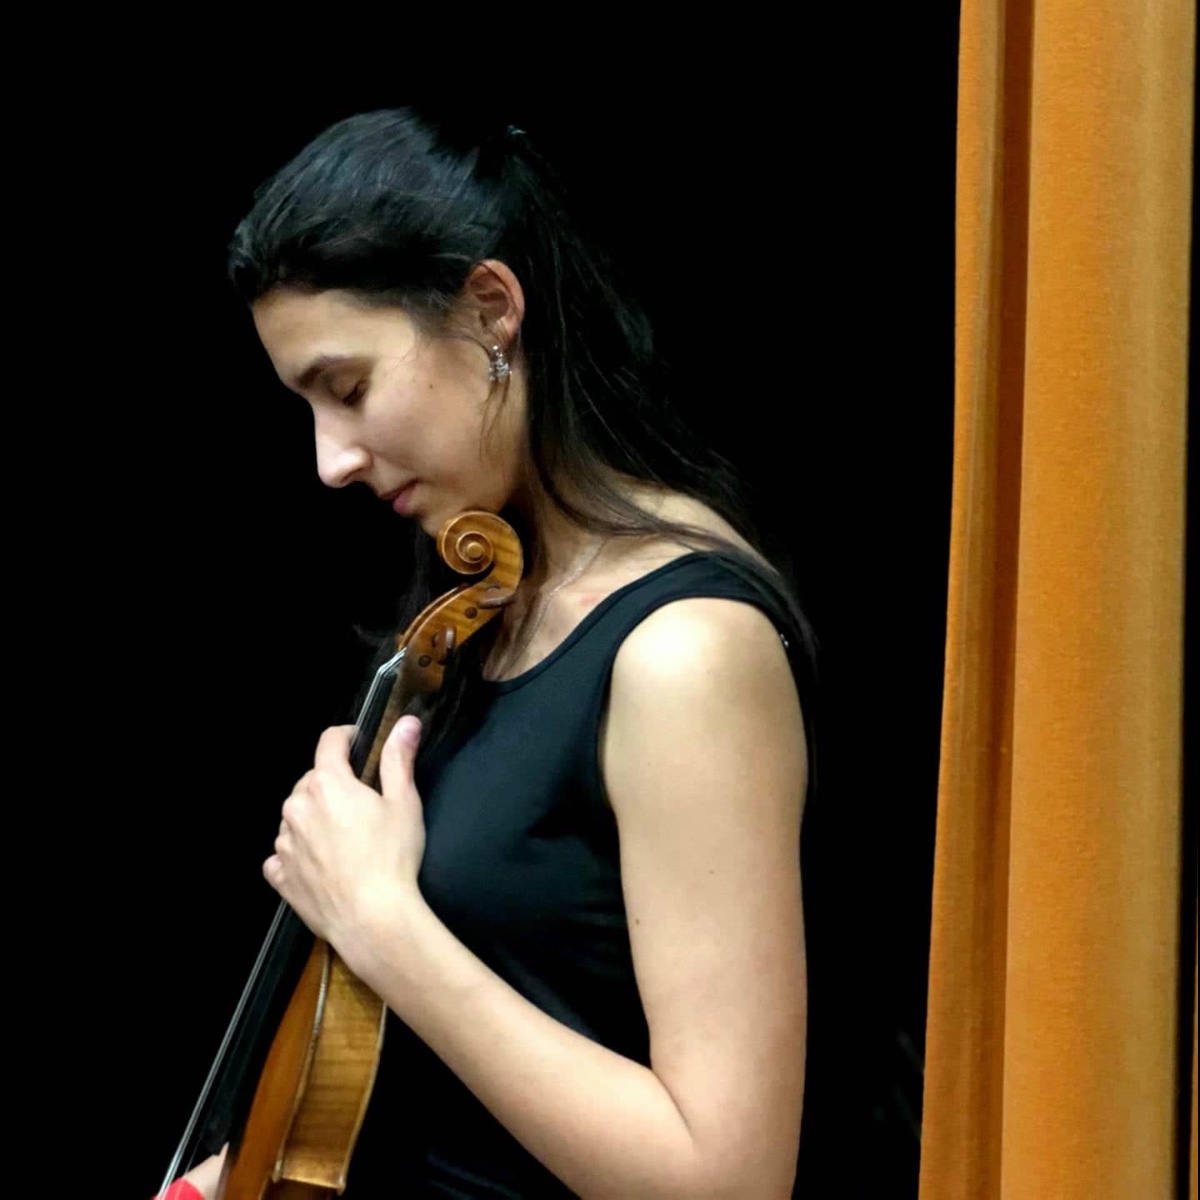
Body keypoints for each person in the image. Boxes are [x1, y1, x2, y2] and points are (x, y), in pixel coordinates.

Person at [163, 107, 817, 1199]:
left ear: (490, 310)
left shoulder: (688, 651)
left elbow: (729, 1179)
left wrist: (382, 925)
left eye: (348, 388)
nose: (330, 460)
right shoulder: (485, 605)